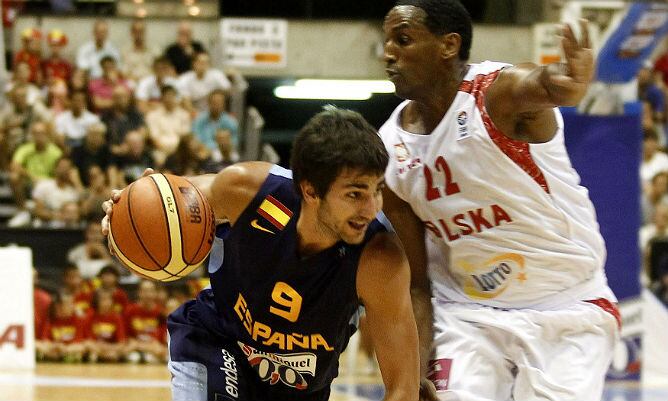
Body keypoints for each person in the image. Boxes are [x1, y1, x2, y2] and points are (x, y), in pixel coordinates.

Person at [379, 1, 619, 401]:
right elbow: (417, 284)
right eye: (386, 41)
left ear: (448, 46)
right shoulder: (390, 150)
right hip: (468, 316)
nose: (388, 51)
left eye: (402, 40)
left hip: (568, 305)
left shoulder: (495, 94)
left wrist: (566, 83)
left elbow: (540, 84)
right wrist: (414, 371)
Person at [102, 108, 419, 400]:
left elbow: (403, 388)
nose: (371, 208)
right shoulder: (247, 191)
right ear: (309, 190)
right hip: (218, 340)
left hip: (300, 388)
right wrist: (126, 209)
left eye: (376, 190)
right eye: (354, 194)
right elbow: (171, 202)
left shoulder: (379, 261)